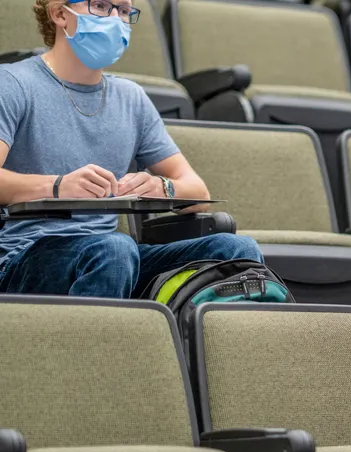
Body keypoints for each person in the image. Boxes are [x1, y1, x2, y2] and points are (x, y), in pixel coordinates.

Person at [0, 0, 262, 298]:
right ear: (60, 13)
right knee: (115, 249)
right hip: (24, 258)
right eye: (100, 6)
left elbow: (198, 193)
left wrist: (161, 186)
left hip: (112, 258)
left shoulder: (131, 98)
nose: (115, 19)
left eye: (124, 11)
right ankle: (93, 344)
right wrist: (58, 185)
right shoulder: (13, 83)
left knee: (238, 250)